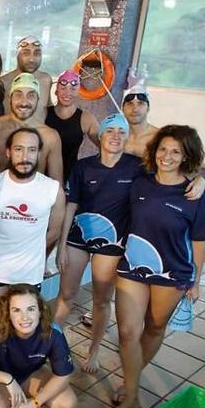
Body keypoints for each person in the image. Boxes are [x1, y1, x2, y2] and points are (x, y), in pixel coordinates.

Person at [109, 125, 205, 408]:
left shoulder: (195, 194)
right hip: (133, 265)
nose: (166, 157)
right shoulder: (139, 181)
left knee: (154, 328)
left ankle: (129, 380)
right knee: (129, 332)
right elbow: (116, 151)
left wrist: (195, 281)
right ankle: (132, 397)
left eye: (176, 151)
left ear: (186, 156)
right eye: (162, 149)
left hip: (172, 272)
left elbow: (199, 242)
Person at [53, 114, 138, 374]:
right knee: (66, 294)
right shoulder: (83, 166)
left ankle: (94, 350)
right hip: (78, 239)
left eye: (121, 132)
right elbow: (71, 205)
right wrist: (62, 245)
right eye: (109, 130)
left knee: (101, 300)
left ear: (127, 137)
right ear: (99, 136)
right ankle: (49, 343)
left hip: (112, 244)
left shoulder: (137, 167)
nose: (115, 136)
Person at [0, 127, 65, 316]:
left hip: (30, 274)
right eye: (19, 149)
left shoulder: (52, 190)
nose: (25, 156)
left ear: (39, 153)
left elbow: (54, 231)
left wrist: (36, 255)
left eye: (32, 150)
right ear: (8, 152)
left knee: (23, 329)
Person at [0, 73, 63, 182]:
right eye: (18, 95)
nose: (24, 102)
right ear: (10, 98)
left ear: (38, 99)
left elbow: (57, 185)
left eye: (31, 95)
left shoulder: (50, 137)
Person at [45, 69, 99, 178]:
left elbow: (104, 145)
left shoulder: (86, 119)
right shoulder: (44, 114)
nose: (67, 93)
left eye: (73, 89)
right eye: (63, 88)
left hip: (70, 177)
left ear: (78, 92)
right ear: (56, 91)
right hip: (42, 175)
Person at [0, 36, 52, 124]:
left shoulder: (46, 80)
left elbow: (49, 110)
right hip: (11, 136)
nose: (31, 59)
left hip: (39, 136)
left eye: (36, 53)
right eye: (26, 53)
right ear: (17, 55)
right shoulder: (3, 82)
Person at [122, 89, 159, 158]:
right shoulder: (116, 136)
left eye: (140, 103)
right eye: (130, 103)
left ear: (148, 108)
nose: (135, 109)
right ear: (123, 109)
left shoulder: (159, 137)